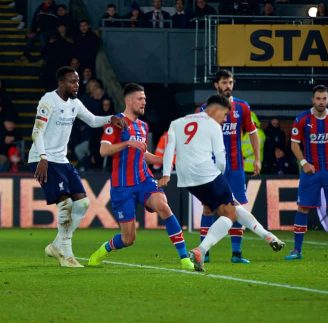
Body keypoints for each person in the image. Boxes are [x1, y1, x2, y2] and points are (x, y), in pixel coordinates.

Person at [159, 94, 285, 272]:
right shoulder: (212, 124)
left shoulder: (177, 122)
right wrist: (219, 175)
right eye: (225, 114)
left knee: (232, 205)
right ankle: (201, 250)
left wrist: (166, 174)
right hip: (207, 174)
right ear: (216, 110)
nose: (225, 119)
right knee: (231, 214)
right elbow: (220, 158)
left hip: (186, 179)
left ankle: (268, 236)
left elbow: (169, 149)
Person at [87, 83, 195, 271]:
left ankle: (185, 258)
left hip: (144, 179)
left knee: (163, 206)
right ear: (128, 100)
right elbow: (104, 150)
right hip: (122, 186)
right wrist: (127, 143)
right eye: (140, 98)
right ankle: (102, 251)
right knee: (128, 239)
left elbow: (143, 154)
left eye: (145, 98)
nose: (144, 102)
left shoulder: (143, 126)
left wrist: (167, 159)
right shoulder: (116, 123)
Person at [29, 66, 124, 267]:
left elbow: (92, 120)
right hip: (43, 158)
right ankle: (66, 255)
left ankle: (57, 244)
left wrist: (111, 119)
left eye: (78, 81)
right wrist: (43, 157)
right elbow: (37, 132)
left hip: (62, 160)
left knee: (82, 203)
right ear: (61, 82)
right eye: (72, 81)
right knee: (65, 204)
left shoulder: (75, 103)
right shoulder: (48, 101)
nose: (76, 85)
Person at [196, 70, 262, 264]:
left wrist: (257, 159)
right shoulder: (204, 109)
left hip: (235, 168)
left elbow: (252, 132)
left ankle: (237, 253)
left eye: (231, 82)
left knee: (237, 207)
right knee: (208, 208)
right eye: (224, 83)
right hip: (211, 169)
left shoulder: (242, 107)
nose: (228, 86)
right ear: (216, 85)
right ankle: (204, 251)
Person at [286, 85, 328, 261]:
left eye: (324, 98)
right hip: (311, 171)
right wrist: (304, 163)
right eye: (318, 98)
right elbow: (294, 144)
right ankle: (297, 250)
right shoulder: (302, 119)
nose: (321, 102)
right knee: (303, 207)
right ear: (313, 100)